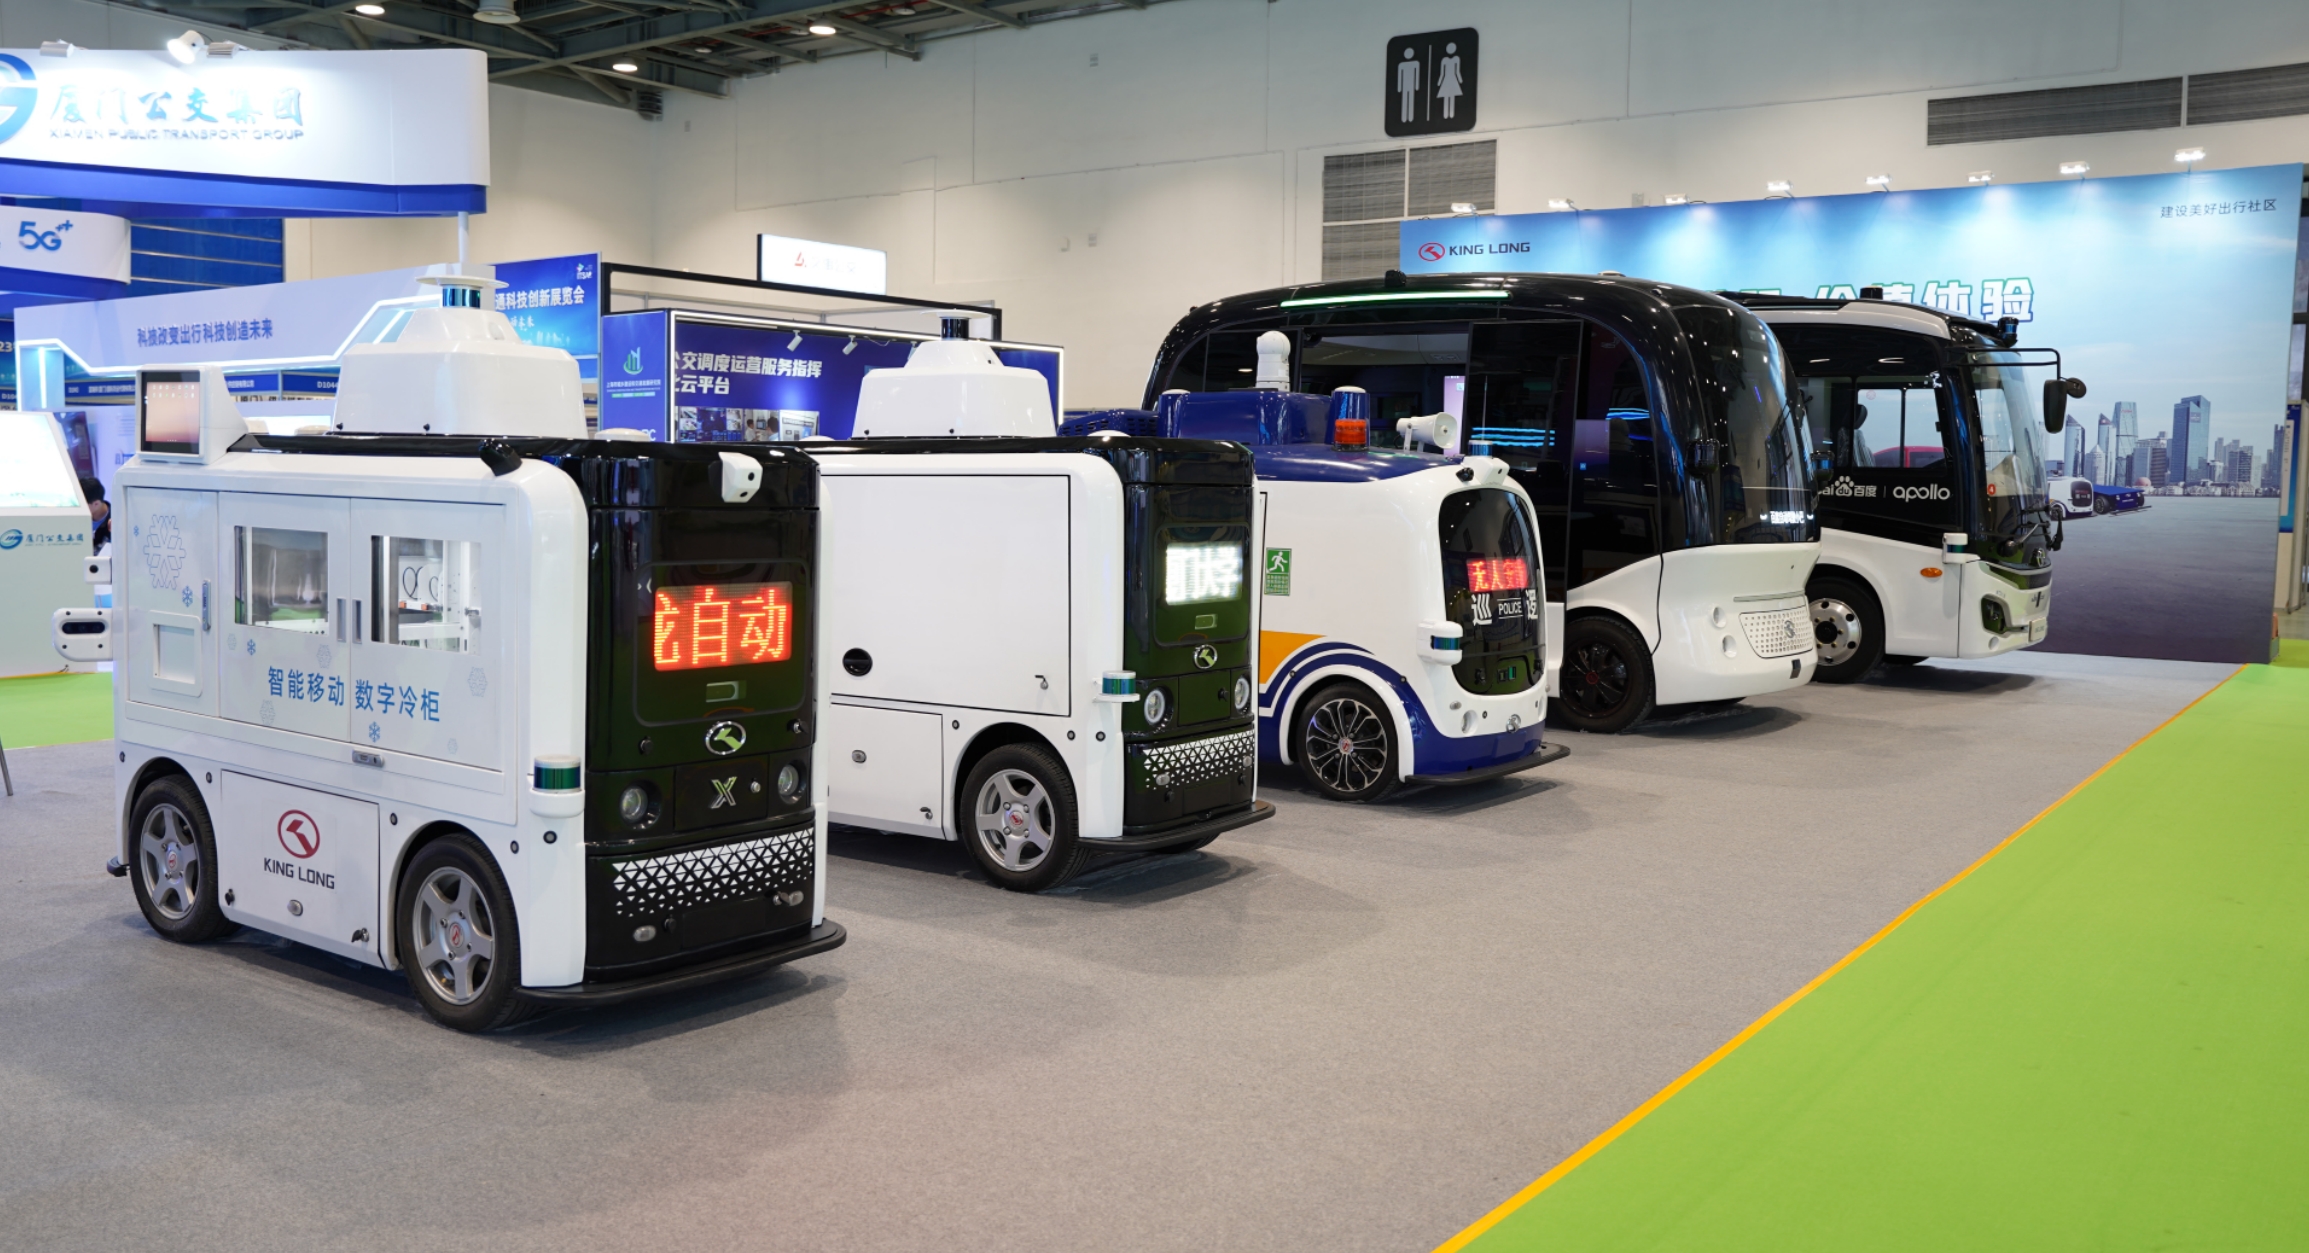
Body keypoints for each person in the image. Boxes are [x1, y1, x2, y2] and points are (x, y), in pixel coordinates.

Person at [80, 476, 111, 552]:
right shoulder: (75, 519)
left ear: (96, 504)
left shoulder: (118, 521)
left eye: (81, 504)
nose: (78, 508)